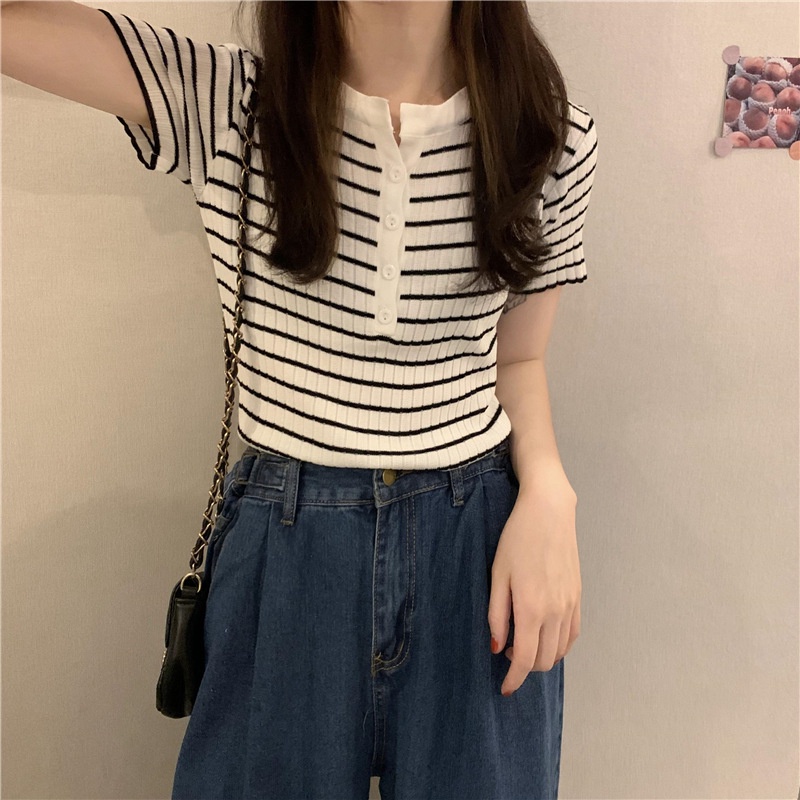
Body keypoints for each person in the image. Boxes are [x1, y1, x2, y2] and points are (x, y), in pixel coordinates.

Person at [1, 1, 598, 797]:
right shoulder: (225, 101)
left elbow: (518, 357)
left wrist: (549, 494)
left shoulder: (550, 136)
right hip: (287, 550)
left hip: (481, 547)